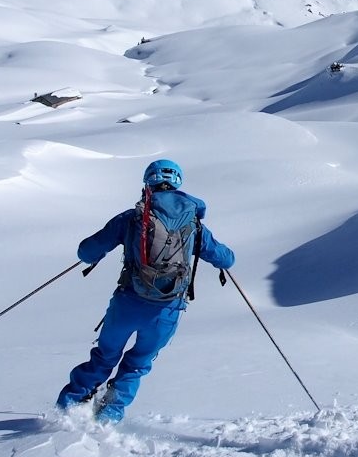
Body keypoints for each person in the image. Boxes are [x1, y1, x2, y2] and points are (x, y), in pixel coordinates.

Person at [55, 158, 234, 423]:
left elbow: (86, 251)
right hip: (167, 310)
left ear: (147, 182)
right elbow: (226, 258)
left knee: (105, 356)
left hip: (128, 302)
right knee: (138, 363)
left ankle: (68, 408)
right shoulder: (194, 225)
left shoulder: (132, 218)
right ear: (177, 183)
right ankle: (109, 417)